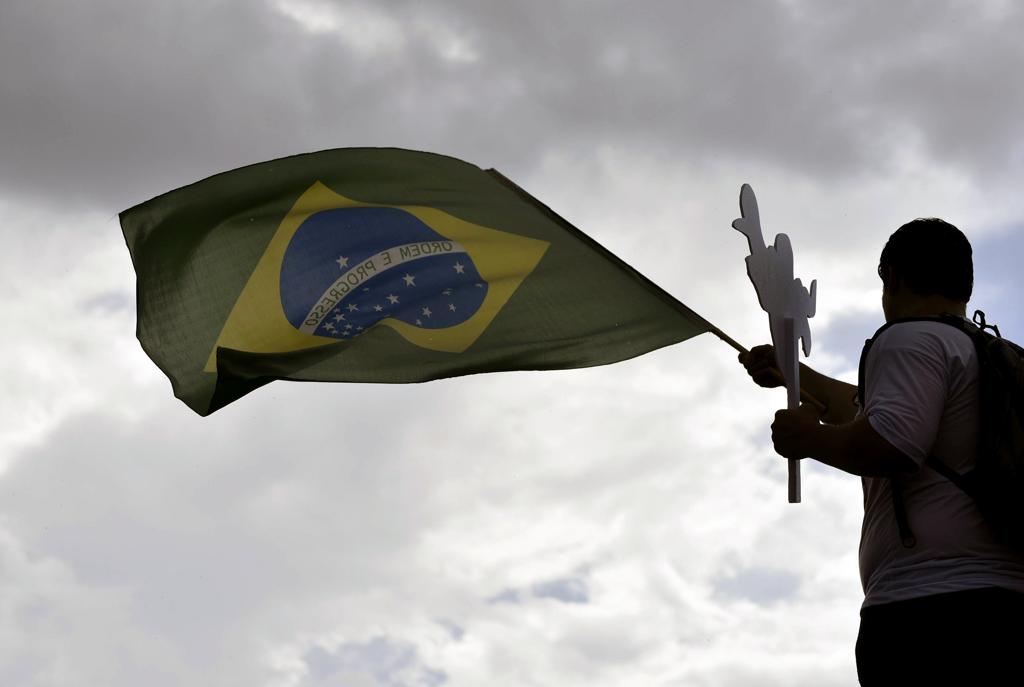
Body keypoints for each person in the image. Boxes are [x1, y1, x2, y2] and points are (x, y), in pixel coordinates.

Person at [739, 219, 1024, 685]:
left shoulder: (909, 339)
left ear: (891, 276)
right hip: (1004, 605)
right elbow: (863, 407)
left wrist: (807, 438)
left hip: (930, 615)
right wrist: (794, 373)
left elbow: (893, 442)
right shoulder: (991, 357)